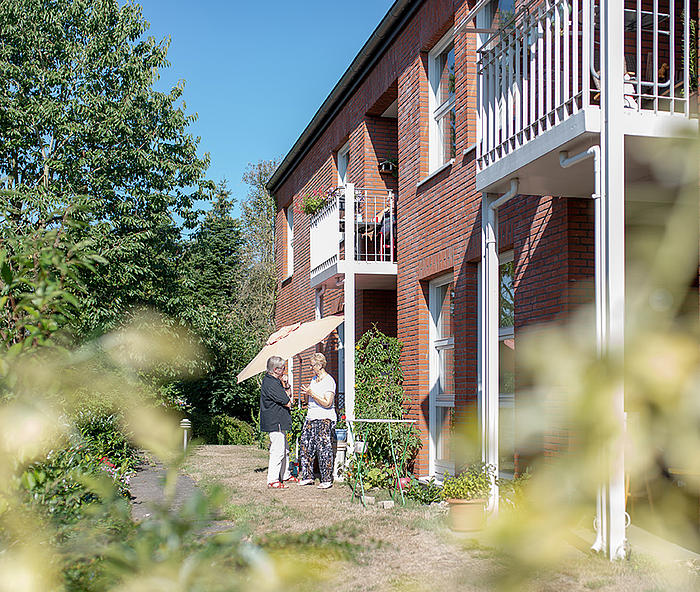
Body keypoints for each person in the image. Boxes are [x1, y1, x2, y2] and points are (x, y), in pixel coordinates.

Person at [298, 352, 337, 489]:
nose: (310, 368)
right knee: (305, 446)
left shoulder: (329, 381)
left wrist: (312, 394)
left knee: (323, 448)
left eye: (312, 365)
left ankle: (326, 479)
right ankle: (307, 477)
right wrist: (306, 395)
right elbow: (309, 401)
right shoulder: (313, 380)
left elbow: (327, 402)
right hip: (311, 417)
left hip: (325, 418)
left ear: (320, 365)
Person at [260, 356, 295, 489]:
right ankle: (273, 479)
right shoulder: (271, 383)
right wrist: (288, 399)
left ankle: (285, 474)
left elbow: (287, 395)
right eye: (283, 368)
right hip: (275, 421)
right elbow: (287, 401)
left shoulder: (274, 381)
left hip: (279, 421)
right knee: (278, 450)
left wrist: (285, 384)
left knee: (285, 449)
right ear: (275, 369)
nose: (285, 370)